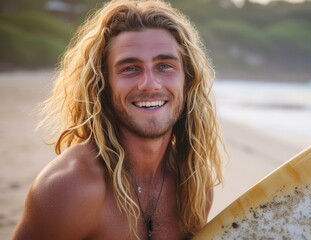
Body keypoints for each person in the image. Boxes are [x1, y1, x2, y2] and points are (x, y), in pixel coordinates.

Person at [12, 0, 223, 239]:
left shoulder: (193, 185)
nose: (150, 84)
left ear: (187, 80)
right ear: (103, 84)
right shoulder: (71, 188)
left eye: (164, 66)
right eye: (130, 68)